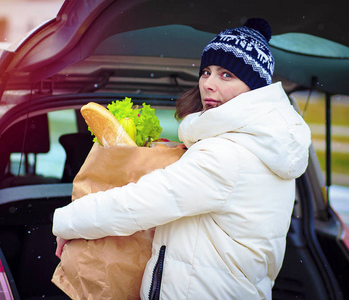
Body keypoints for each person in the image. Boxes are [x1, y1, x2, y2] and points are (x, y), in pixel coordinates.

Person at [53, 18, 311, 300]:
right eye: (206, 72)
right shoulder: (264, 145)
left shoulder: (228, 154)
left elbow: (138, 204)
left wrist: (67, 221)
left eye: (227, 75)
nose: (209, 84)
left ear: (254, 87)